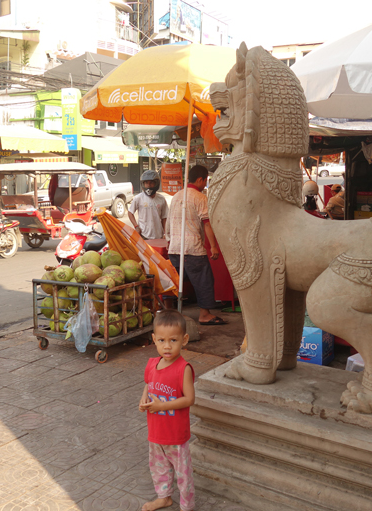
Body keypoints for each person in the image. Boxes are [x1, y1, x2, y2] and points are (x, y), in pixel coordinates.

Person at [139, 310, 196, 511]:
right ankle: (164, 497)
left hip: (176, 435)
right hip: (156, 432)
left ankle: (187, 505)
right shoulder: (152, 364)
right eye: (161, 340)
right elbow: (148, 383)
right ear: (154, 339)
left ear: (184, 339)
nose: (167, 346)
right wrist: (144, 398)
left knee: (183, 473)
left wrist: (161, 406)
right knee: (159, 468)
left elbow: (189, 399)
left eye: (173, 340)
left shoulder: (184, 368)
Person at [165, 165, 226, 326]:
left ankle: (168, 311)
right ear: (200, 179)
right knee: (204, 280)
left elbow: (169, 224)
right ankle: (204, 314)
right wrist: (213, 246)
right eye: (205, 181)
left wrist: (170, 241)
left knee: (174, 280)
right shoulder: (200, 197)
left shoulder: (176, 196)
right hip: (193, 249)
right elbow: (207, 224)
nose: (205, 184)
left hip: (175, 248)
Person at [128, 169, 169, 240]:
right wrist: (136, 227)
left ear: (156, 183)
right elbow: (130, 213)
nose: (148, 185)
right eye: (146, 183)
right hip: (144, 235)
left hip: (158, 235)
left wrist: (165, 233)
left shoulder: (161, 199)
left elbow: (164, 217)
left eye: (151, 183)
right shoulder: (138, 198)